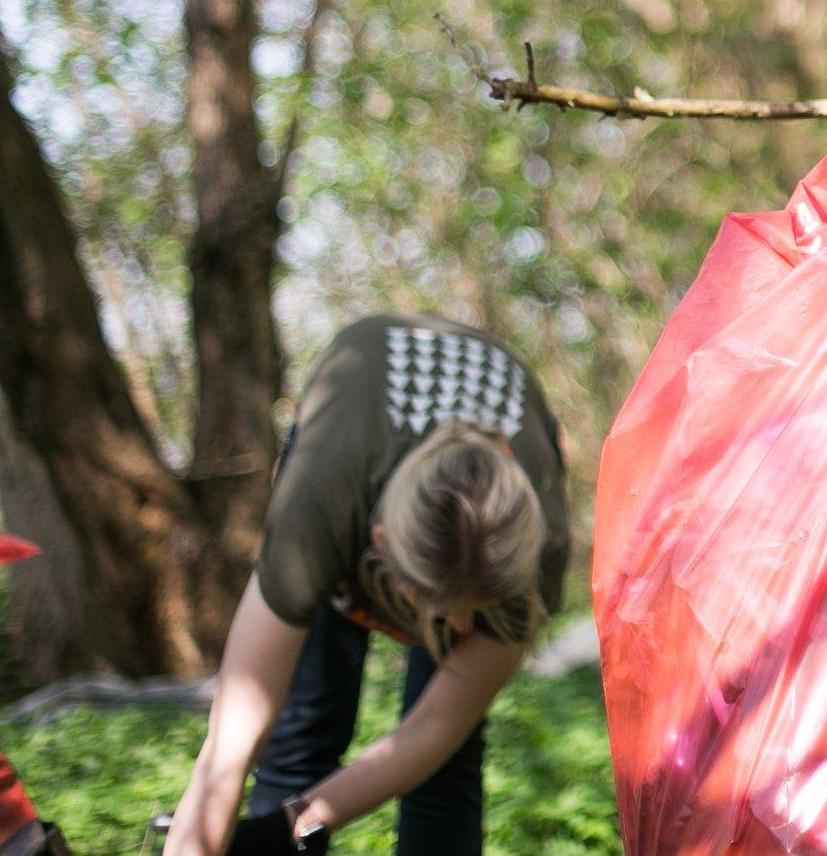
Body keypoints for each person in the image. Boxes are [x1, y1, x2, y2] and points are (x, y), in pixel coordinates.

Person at [163, 313, 571, 856]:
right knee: (303, 727)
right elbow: (229, 747)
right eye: (436, 606)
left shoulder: (534, 551)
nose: (459, 628)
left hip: (464, 485)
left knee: (445, 766)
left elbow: (432, 730)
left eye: (477, 609)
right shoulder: (321, 509)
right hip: (350, 432)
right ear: (377, 543)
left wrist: (299, 824)